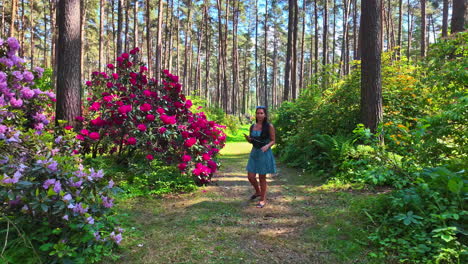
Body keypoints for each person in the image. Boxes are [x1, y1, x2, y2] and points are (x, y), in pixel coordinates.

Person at [244, 106, 276, 208]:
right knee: (251, 176)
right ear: (255, 114)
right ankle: (258, 192)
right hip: (254, 153)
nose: (259, 115)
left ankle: (263, 199)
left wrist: (267, 146)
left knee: (262, 178)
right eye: (258, 113)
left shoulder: (269, 126)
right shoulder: (252, 126)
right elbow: (252, 141)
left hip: (264, 153)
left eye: (261, 113)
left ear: (265, 114)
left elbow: (273, 140)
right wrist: (248, 139)